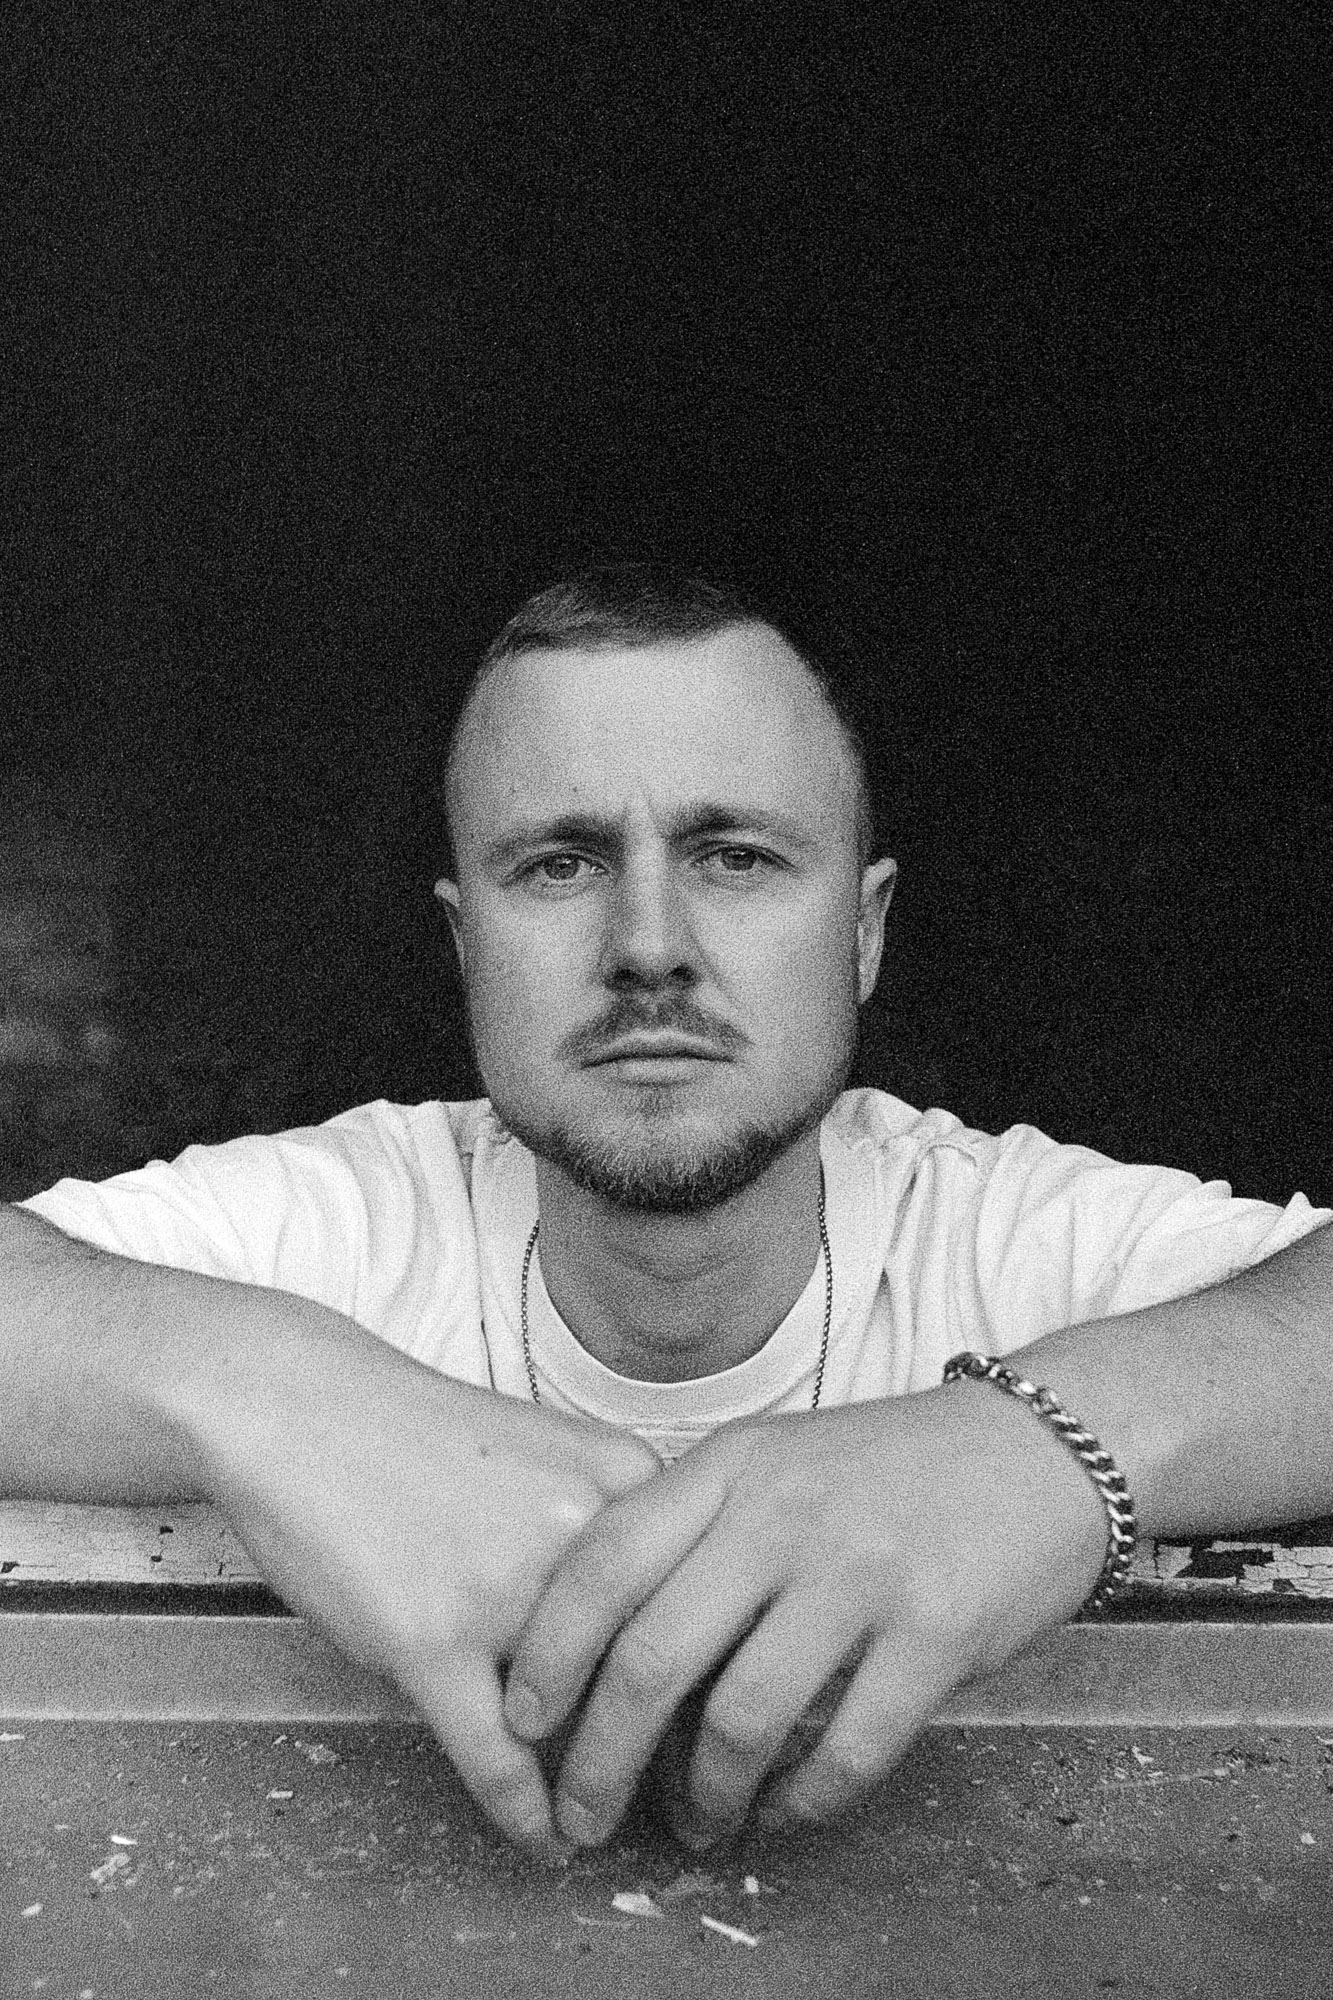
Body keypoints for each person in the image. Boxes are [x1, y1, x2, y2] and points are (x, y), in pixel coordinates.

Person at [3, 563, 1331, 1863]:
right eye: (560, 866)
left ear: (864, 932)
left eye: (735, 857)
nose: (648, 945)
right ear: (465, 948)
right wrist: (270, 1392)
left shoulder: (995, 1231)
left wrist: (1042, 1447)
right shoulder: (350, 1222)